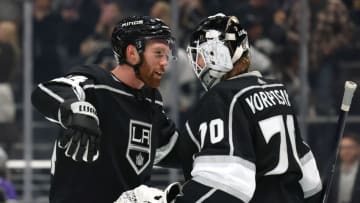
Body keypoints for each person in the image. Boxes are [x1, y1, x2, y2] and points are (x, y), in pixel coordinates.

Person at [115, 13, 323, 203]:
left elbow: (226, 185)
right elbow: (311, 182)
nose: (198, 64)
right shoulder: (278, 92)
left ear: (218, 54)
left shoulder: (224, 98)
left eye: (200, 56)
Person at [31, 16, 179, 203]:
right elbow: (46, 91)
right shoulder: (96, 84)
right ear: (132, 53)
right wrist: (77, 110)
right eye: (158, 53)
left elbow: (174, 149)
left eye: (166, 55)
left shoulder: (151, 101)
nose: (164, 62)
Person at [327, 132, 360, 203]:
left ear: (358, 149)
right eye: (343, 148)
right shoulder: (332, 173)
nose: (346, 151)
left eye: (349, 147)